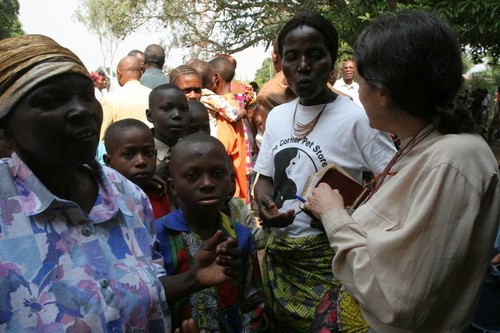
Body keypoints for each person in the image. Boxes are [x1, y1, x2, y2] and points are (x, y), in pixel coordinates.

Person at [0, 34, 244, 333]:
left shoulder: (128, 196)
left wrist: (193, 278)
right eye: (50, 100)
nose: (81, 110)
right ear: (5, 129)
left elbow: (142, 292)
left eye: (87, 95)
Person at [304, 10, 500, 332]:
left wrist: (334, 216)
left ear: (383, 90)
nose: (358, 93)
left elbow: (396, 302)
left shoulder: (452, 161)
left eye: (362, 80)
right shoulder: (422, 143)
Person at [253, 12, 396, 332]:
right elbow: (264, 178)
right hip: (283, 263)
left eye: (315, 55)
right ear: (281, 64)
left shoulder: (359, 119)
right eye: (292, 57)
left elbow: (394, 184)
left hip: (332, 262)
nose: (303, 65)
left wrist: (343, 215)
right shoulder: (276, 117)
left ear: (332, 62)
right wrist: (266, 206)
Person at [156, 132, 266, 332]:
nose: (207, 183)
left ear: (231, 182)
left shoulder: (240, 236)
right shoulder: (157, 235)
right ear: (173, 186)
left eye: (217, 174)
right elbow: (147, 301)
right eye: (192, 176)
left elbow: (254, 301)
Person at [103, 118, 172, 219]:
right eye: (128, 155)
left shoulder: (158, 192)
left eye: (148, 153)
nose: (141, 161)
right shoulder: (104, 199)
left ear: (155, 154)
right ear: (109, 162)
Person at [100, 55, 152, 140]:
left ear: (119, 74)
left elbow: (102, 138)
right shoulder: (153, 95)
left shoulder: (109, 99)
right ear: (141, 73)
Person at [146, 83, 190, 169]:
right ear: (150, 116)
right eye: (166, 108)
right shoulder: (140, 155)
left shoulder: (193, 151)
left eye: (184, 109)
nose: (177, 115)